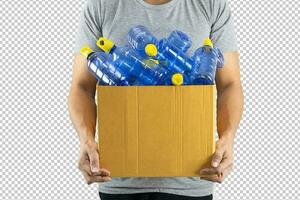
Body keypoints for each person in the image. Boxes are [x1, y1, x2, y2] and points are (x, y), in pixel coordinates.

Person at [68, 0, 244, 199]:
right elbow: (82, 87)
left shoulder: (211, 5)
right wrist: (86, 139)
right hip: (118, 179)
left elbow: (230, 84)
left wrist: (227, 139)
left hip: (192, 179)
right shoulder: (101, 5)